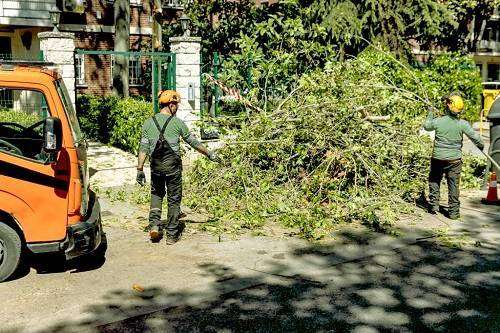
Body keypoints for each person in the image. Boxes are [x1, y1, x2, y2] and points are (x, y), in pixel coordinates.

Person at [137, 90, 218, 244]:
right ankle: (172, 235)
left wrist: (139, 169)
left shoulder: (148, 122)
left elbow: (143, 148)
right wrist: (209, 153)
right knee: (174, 199)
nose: (178, 108)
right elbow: (193, 142)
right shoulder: (177, 123)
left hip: (156, 168)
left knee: (156, 195)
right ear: (171, 104)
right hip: (173, 169)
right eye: (177, 105)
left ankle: (154, 225)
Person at [423, 92, 484, 219]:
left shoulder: (438, 121)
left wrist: (430, 114)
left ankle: (433, 206)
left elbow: (427, 126)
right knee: (453, 185)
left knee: (434, 180)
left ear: (448, 107)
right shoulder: (463, 124)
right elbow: (476, 138)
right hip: (454, 161)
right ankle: (454, 213)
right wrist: (481, 145)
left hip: (438, 159)